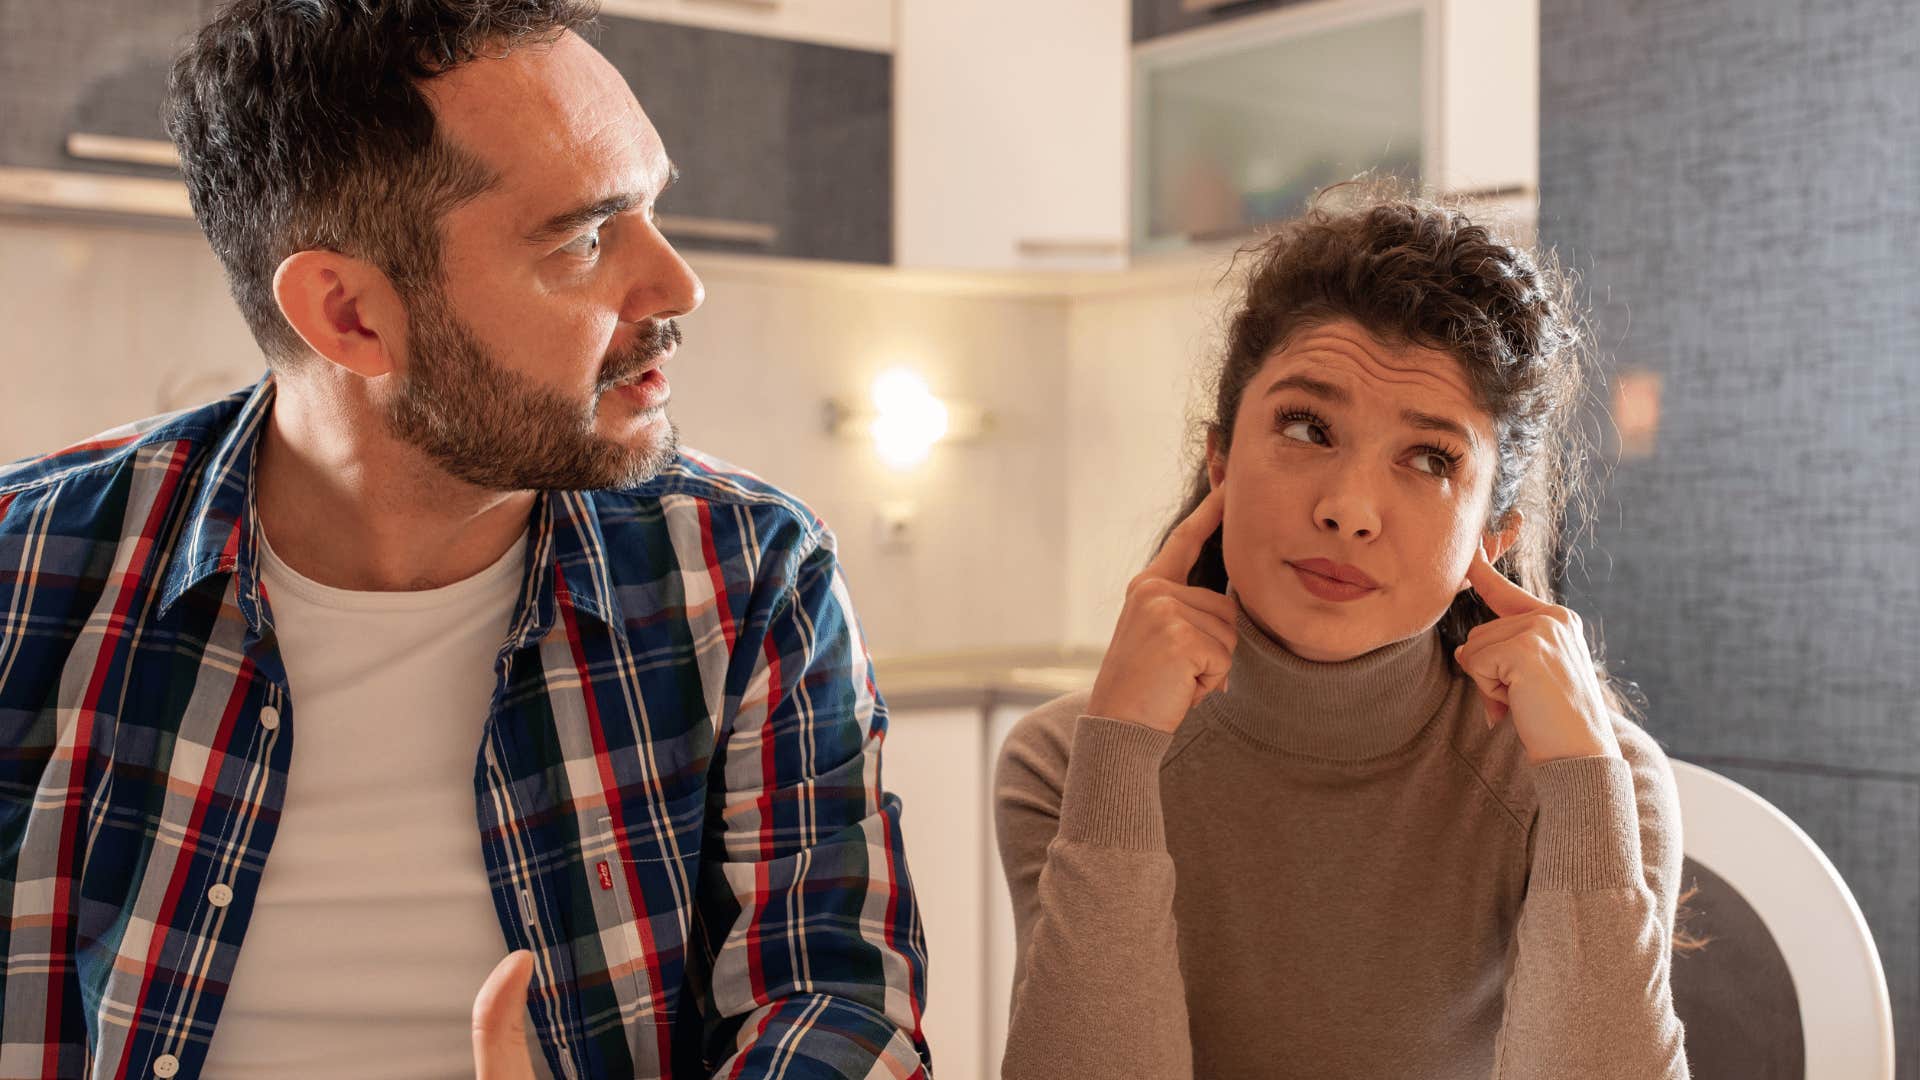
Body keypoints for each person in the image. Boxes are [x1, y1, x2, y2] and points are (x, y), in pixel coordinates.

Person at [0, 2, 929, 1077]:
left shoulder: (747, 574)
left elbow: (839, 1004)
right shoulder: (30, 567)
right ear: (348, 315)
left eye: (651, 209)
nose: (678, 285)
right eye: (584, 236)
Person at [994, 188, 1694, 1079]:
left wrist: (1579, 793)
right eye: (1305, 427)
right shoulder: (1064, 762)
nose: (1348, 510)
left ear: (1495, 534)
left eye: (1430, 459)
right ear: (1220, 463)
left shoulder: (1603, 784)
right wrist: (1122, 757)